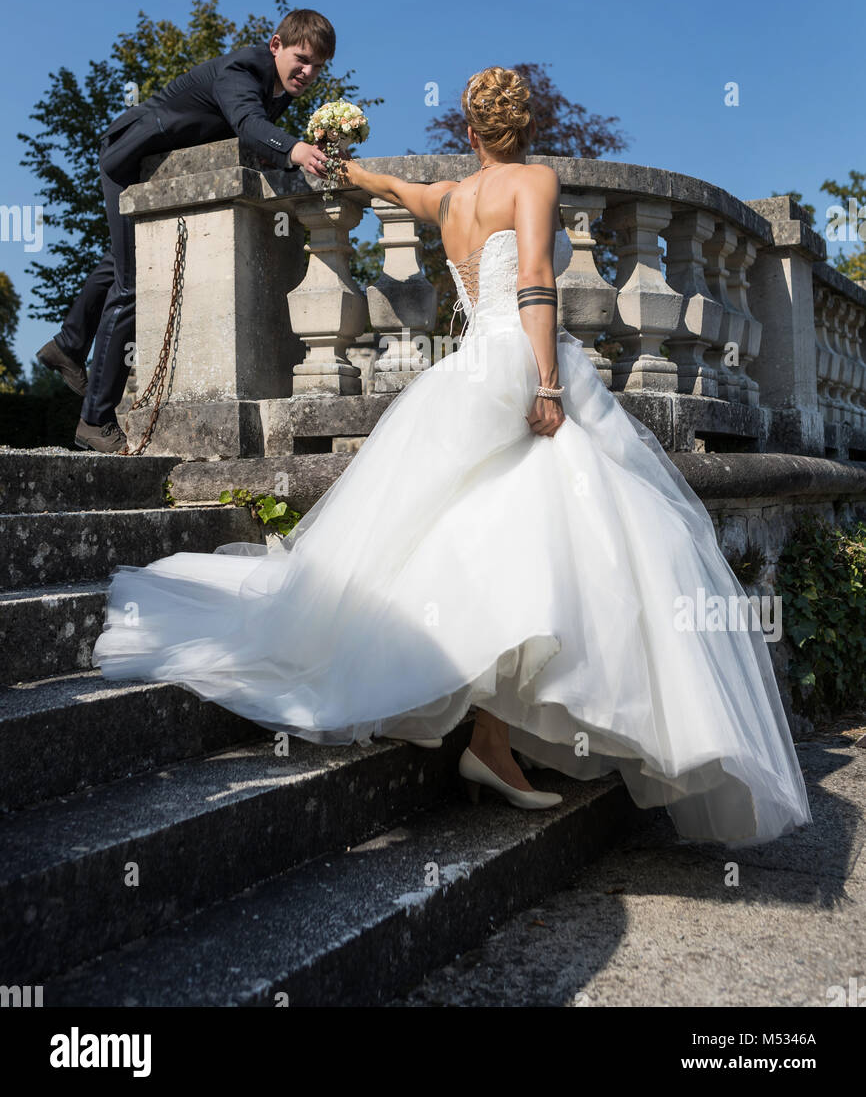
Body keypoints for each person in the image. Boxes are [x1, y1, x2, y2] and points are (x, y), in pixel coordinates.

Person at [92, 66, 813, 844]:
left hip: (468, 366)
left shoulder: (451, 199)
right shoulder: (532, 182)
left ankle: (493, 738)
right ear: (524, 130)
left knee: (495, 529)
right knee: (566, 528)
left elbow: (388, 188)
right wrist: (546, 383)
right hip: (519, 363)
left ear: (469, 134)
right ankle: (501, 735)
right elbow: (536, 280)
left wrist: (338, 161)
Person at [37, 9, 335, 453]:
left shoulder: (277, 87)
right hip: (129, 160)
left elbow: (250, 136)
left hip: (155, 169)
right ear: (276, 45)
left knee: (120, 259)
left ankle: (67, 344)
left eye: (318, 66)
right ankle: (94, 421)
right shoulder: (242, 71)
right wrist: (293, 147)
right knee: (135, 284)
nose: (308, 72)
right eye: (302, 58)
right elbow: (249, 126)